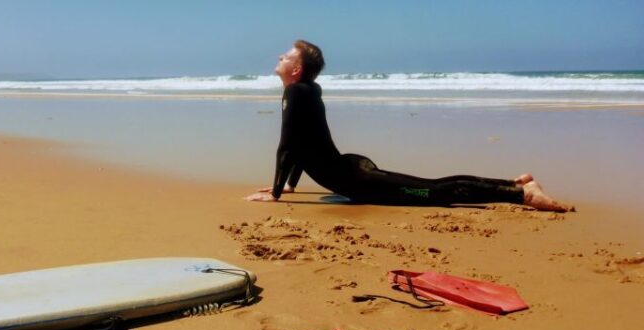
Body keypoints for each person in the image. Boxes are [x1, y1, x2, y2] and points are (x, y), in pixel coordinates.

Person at [245, 40, 573, 212]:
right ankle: (517, 184)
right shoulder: (306, 91)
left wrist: (275, 194)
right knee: (434, 185)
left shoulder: (296, 91)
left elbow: (288, 145)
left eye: (286, 56)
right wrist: (289, 187)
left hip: (357, 180)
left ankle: (521, 195)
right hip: (352, 170)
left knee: (434, 192)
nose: (280, 57)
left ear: (297, 69)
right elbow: (301, 145)